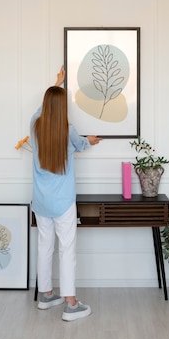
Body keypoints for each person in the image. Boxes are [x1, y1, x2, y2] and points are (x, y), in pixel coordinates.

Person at [30, 66, 102, 321]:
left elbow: (40, 111)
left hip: (40, 202)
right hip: (62, 202)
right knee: (67, 249)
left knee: (45, 247)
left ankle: (46, 295)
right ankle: (71, 303)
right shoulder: (68, 130)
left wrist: (56, 84)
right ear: (63, 108)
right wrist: (90, 141)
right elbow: (81, 144)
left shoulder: (35, 125)